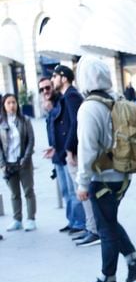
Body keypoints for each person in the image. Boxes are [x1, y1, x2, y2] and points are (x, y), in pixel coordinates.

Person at [75, 56, 136, 282]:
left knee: (105, 228)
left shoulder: (90, 106)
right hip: (122, 174)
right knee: (110, 221)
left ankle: (108, 279)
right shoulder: (117, 99)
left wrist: (82, 182)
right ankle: (134, 259)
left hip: (102, 178)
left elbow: (87, 148)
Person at [51, 63, 98, 244]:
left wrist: (70, 149)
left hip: (75, 153)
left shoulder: (71, 96)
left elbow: (76, 124)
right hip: (70, 152)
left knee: (83, 192)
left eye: (55, 77)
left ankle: (94, 230)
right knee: (79, 192)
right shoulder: (67, 96)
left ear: (63, 78)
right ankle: (90, 227)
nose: (53, 80)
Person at [40, 75, 88, 239]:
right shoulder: (50, 106)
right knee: (66, 192)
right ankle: (73, 221)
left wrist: (68, 149)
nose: (45, 91)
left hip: (65, 152)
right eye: (42, 89)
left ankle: (80, 223)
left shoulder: (64, 99)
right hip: (57, 153)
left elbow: (71, 125)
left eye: (48, 87)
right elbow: (52, 130)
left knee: (74, 191)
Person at [0, 93, 37, 231]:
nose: (12, 105)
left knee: (28, 191)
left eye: (14, 102)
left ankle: (31, 219)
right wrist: (2, 164)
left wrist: (25, 158)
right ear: (4, 105)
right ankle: (17, 219)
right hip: (8, 164)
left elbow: (31, 140)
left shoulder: (25, 120)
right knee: (14, 194)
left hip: (24, 162)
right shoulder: (1, 122)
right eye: (8, 103)